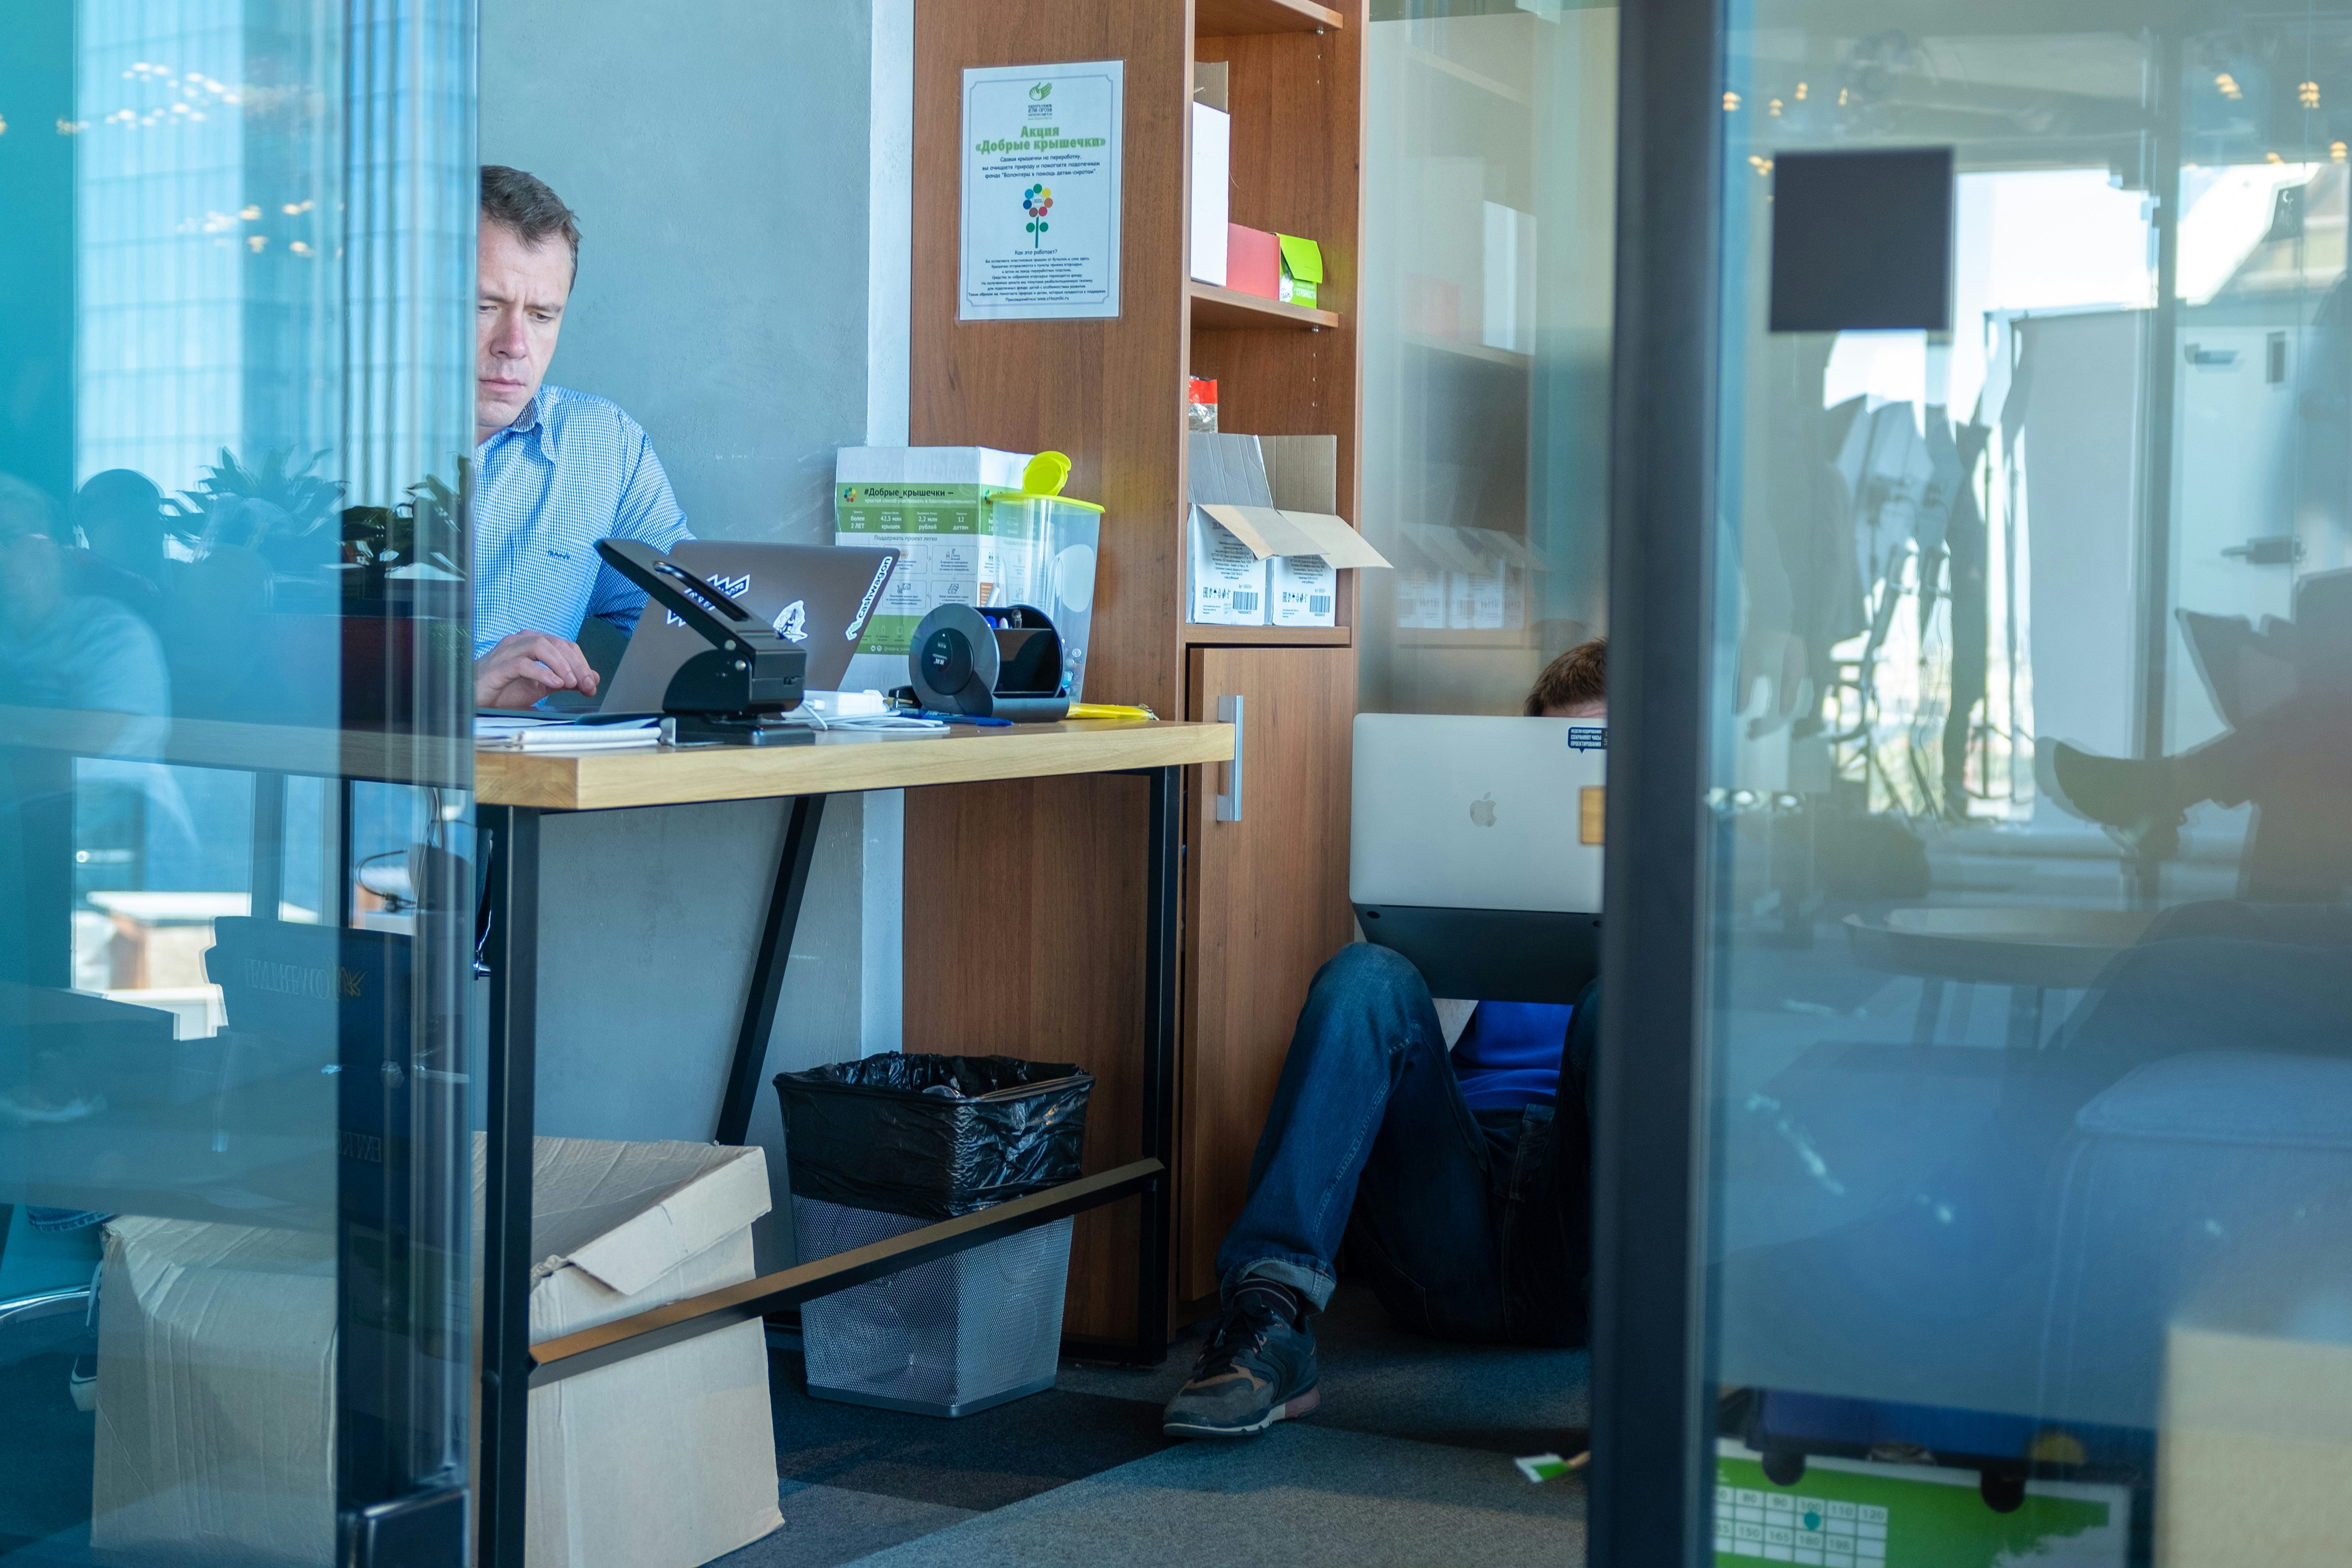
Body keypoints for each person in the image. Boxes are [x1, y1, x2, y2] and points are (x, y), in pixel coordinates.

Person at [1161, 639, 1608, 1439]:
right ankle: (1266, 1328)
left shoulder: (1702, 889)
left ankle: (1666, 1383)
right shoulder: (1466, 871)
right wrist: (1470, 911)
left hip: (1591, 1258)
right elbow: (1382, 1059)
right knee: (1367, 974)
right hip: (1445, 1231)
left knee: (1621, 1003)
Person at [470, 165, 692, 710]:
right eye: (484, 307)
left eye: (542, 315)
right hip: (348, 789)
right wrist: (453, 691)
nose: (515, 344)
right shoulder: (322, 450)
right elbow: (259, 678)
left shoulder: (604, 446)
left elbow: (688, 626)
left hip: (525, 786)